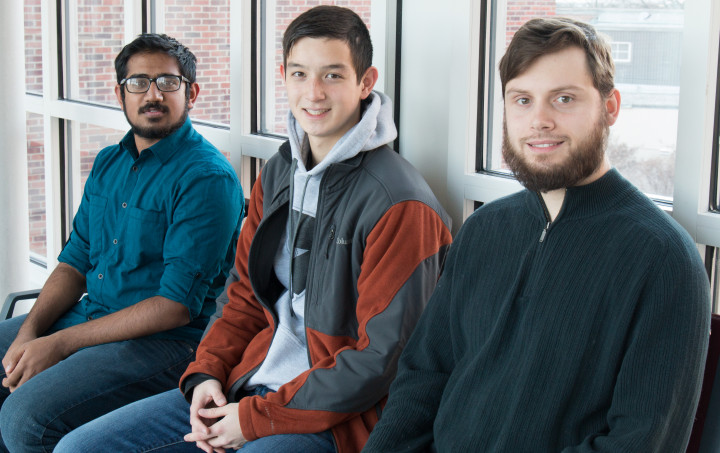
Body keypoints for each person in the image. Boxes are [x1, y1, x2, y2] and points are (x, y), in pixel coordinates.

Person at [53, 5, 453, 453]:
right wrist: (206, 374)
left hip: (336, 419)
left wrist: (255, 419)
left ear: (365, 82)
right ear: (283, 76)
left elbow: (381, 361)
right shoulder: (281, 171)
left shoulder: (401, 204)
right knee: (80, 448)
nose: (314, 93)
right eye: (300, 74)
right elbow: (241, 292)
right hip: (249, 381)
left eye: (333, 75)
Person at [363, 17, 711, 453]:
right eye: (522, 100)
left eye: (564, 99)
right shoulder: (484, 230)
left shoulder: (663, 259)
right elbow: (423, 376)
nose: (539, 120)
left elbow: (640, 442)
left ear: (610, 107)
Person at [0, 34, 244, 452]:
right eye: (138, 83)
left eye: (168, 82)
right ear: (120, 93)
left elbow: (174, 306)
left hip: (166, 343)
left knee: (26, 420)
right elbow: (74, 262)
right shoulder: (109, 162)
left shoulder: (206, 178)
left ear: (192, 92)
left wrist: (56, 344)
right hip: (92, 316)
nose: (153, 94)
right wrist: (30, 331)